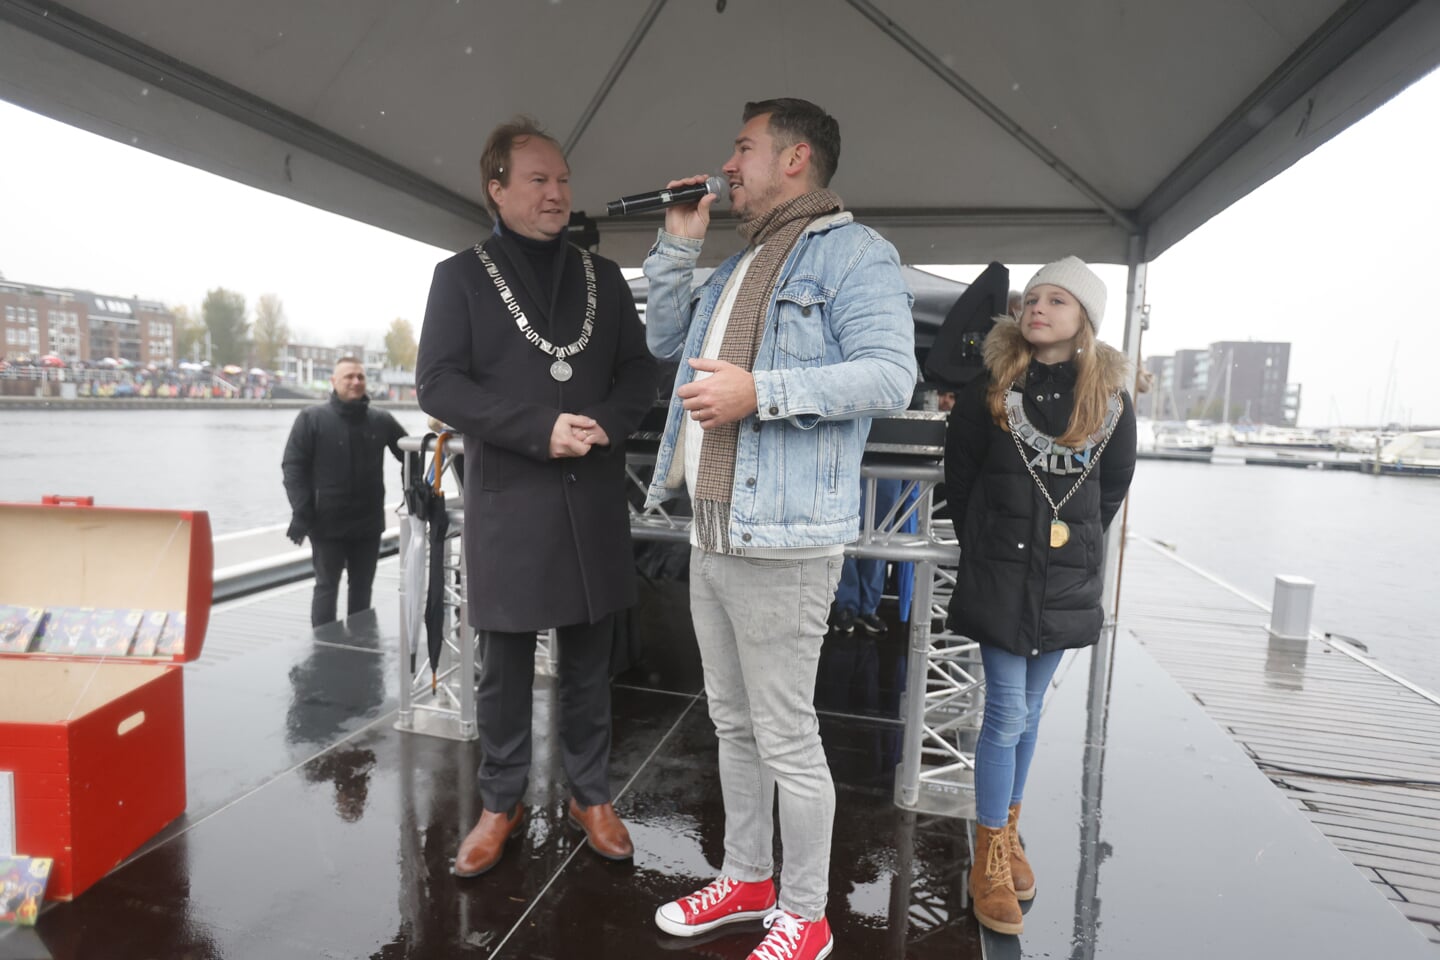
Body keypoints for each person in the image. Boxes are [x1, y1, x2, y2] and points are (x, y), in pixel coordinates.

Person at [643, 98, 916, 960]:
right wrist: (680, 245)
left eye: (743, 147)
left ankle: (806, 916)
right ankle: (749, 877)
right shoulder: (736, 265)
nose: (729, 164)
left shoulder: (857, 253)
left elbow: (890, 376)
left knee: (787, 736)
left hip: (788, 535)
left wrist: (763, 393)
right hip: (715, 525)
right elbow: (664, 343)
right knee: (733, 725)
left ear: (794, 158)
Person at [415, 116, 659, 878]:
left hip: (590, 493)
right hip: (511, 495)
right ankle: (500, 801)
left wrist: (603, 430)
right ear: (496, 189)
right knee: (505, 665)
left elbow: (637, 375)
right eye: (538, 180)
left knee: (591, 659)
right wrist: (538, 429)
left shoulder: (605, 278)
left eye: (562, 180)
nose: (556, 193)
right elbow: (437, 384)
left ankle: (591, 794)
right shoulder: (458, 277)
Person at [943, 257, 1136, 935]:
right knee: (1005, 715)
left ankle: (1007, 829)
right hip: (1002, 572)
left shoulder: (1110, 401)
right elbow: (959, 482)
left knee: (1028, 713)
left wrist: (1070, 549)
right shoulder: (987, 389)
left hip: (1064, 580)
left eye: (1058, 299)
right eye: (1033, 297)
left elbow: (1109, 492)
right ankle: (988, 853)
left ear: (1084, 319)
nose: (1038, 307)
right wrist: (993, 547)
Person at [282, 357, 406, 627]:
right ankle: (323, 650)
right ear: (334, 382)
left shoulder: (381, 420)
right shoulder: (311, 419)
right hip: (326, 523)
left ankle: (360, 647)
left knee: (362, 589)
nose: (356, 382)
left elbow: (410, 455)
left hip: (368, 524)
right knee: (326, 587)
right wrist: (301, 511)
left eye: (360, 377)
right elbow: (293, 468)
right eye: (349, 377)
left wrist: (415, 492)